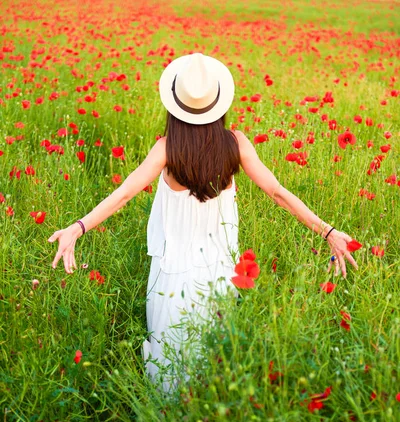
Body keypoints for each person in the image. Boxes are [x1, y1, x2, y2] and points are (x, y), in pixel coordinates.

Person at [48, 52, 359, 391]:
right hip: (220, 277)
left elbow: (123, 195)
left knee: (169, 369)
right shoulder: (235, 144)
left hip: (171, 277)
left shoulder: (166, 149)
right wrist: (327, 231)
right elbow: (278, 192)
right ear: (218, 105)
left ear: (175, 106)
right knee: (213, 373)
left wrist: (77, 228)